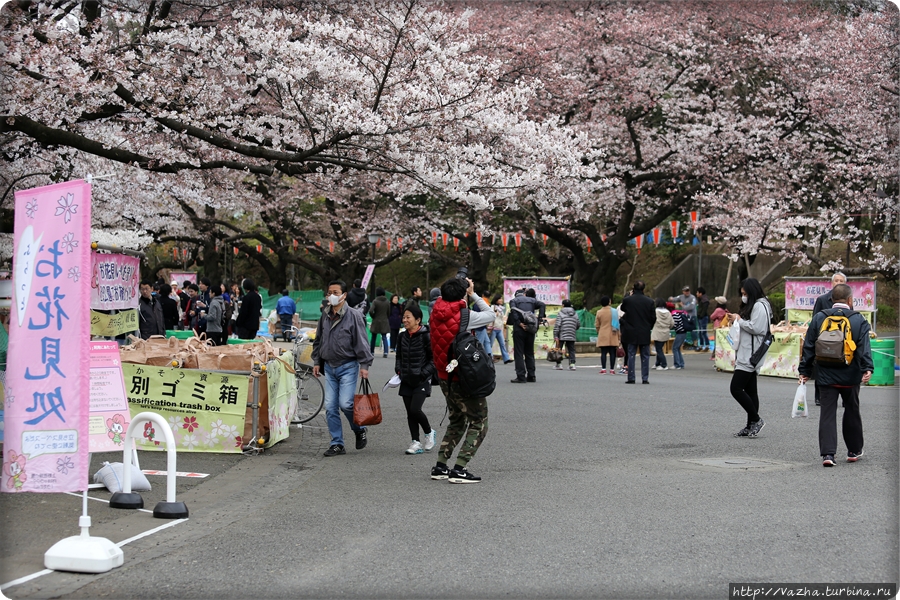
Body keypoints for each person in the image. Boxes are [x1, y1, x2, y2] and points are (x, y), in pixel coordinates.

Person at [428, 276, 495, 483]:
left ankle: (441, 465)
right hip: (463, 378)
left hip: (443, 376)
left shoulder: (434, 313)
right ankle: (460, 468)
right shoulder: (465, 315)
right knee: (479, 422)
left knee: (457, 419)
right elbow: (490, 314)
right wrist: (473, 293)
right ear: (463, 293)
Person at [798, 283, 872, 466]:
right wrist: (867, 368)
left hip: (825, 374)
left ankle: (828, 455)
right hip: (850, 375)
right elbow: (864, 348)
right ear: (849, 300)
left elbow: (808, 346)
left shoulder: (819, 318)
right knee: (852, 410)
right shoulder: (858, 320)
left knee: (827, 413)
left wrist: (805, 371)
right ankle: (854, 450)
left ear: (832, 300)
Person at [311, 280, 374, 457]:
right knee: (330, 407)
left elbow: (362, 342)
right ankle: (337, 443)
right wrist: (317, 361)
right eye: (329, 292)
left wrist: (364, 365)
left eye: (336, 292)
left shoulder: (354, 315)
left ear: (344, 295)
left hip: (348, 365)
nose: (332, 295)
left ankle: (359, 428)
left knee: (345, 404)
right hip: (329, 367)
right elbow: (319, 339)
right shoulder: (325, 315)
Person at [730, 278, 772, 438]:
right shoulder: (760, 304)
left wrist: (739, 321)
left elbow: (757, 328)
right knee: (750, 390)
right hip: (749, 351)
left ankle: (756, 419)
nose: (743, 296)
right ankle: (750, 425)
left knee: (736, 388)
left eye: (745, 293)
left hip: (750, 354)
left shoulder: (759, 306)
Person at [394, 303, 438, 455]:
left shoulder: (427, 335)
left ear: (418, 320)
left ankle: (429, 432)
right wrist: (399, 370)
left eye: (408, 317)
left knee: (415, 409)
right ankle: (415, 442)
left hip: (422, 379)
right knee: (409, 412)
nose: (405, 320)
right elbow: (398, 357)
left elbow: (434, 360)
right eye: (404, 317)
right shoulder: (401, 336)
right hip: (406, 379)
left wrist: (423, 374)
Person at [811, 272, 848, 406]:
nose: (838, 283)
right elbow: (815, 319)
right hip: (824, 339)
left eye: (841, 281)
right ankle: (819, 396)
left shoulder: (848, 301)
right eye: (836, 281)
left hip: (842, 339)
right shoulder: (822, 299)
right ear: (832, 283)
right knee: (821, 366)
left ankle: (844, 397)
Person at [619, 281, 656, 384]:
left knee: (631, 354)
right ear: (643, 289)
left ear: (633, 289)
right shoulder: (649, 301)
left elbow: (623, 308)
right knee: (645, 355)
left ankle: (631, 377)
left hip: (631, 330)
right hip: (644, 330)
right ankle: (645, 377)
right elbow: (653, 317)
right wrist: (649, 326)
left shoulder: (628, 300)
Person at [508, 288, 546, 383]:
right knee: (529, 352)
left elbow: (514, 312)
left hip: (519, 329)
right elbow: (542, 304)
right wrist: (540, 318)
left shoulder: (513, 301)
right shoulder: (532, 300)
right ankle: (531, 375)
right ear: (524, 294)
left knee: (519, 353)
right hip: (530, 328)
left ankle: (521, 376)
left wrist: (519, 323)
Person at [594, 296, 620, 374]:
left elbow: (597, 325)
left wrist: (599, 331)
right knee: (612, 352)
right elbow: (618, 324)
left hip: (603, 333)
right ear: (609, 302)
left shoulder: (599, 312)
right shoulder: (614, 311)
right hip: (613, 333)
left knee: (603, 352)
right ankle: (612, 369)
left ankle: (603, 368)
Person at [553, 299, 579, 371]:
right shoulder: (575, 313)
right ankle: (572, 364)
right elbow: (578, 324)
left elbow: (557, 325)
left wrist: (555, 335)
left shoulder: (560, 313)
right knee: (571, 349)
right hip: (571, 333)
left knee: (559, 349)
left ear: (563, 305)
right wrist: (573, 329)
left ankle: (559, 364)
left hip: (562, 334)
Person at [651, 298, 675, 370]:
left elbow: (651, 320)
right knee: (660, 348)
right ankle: (657, 363)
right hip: (666, 332)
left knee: (658, 349)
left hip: (657, 331)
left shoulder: (655, 312)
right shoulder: (668, 312)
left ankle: (664, 364)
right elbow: (672, 323)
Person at [368, 287, 391, 358]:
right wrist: (386, 316)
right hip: (384, 320)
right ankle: (386, 352)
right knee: (384, 337)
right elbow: (389, 311)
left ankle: (372, 352)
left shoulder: (375, 301)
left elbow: (371, 311)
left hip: (376, 320)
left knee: (374, 337)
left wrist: (373, 316)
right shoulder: (387, 301)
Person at [489, 294, 512, 364]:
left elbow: (502, 318)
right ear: (496, 300)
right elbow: (491, 316)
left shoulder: (501, 308)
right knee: (490, 344)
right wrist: (496, 313)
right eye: (500, 299)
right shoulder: (492, 307)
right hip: (493, 328)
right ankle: (489, 358)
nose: (501, 300)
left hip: (499, 328)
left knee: (502, 344)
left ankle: (506, 358)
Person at [671, 302, 688, 370]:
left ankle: (677, 364)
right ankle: (681, 363)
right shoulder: (681, 313)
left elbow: (675, 324)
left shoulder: (675, 314)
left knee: (674, 348)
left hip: (680, 332)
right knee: (677, 348)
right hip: (683, 332)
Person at [695, 286, 710, 351]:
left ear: (701, 293)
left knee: (703, 332)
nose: (696, 294)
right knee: (700, 332)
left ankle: (707, 345)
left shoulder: (705, 300)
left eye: (697, 292)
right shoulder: (700, 299)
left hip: (703, 318)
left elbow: (704, 310)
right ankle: (701, 345)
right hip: (699, 317)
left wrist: (701, 315)